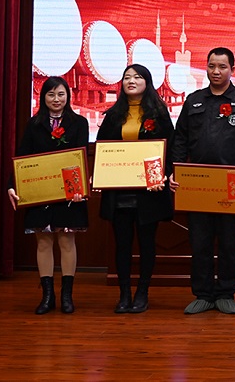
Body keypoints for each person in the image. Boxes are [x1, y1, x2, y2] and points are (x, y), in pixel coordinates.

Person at [169, 48, 235, 315]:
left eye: (222, 67)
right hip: (197, 184)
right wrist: (175, 170)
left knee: (230, 242)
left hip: (231, 183)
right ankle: (203, 294)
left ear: (232, 69)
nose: (216, 71)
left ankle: (226, 293)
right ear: (206, 68)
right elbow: (180, 139)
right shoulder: (194, 100)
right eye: (211, 66)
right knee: (200, 242)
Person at [96, 64, 175, 314]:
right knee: (122, 245)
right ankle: (124, 294)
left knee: (147, 244)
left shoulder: (158, 113)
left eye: (137, 77)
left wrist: (163, 174)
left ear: (147, 82)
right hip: (120, 191)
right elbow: (102, 148)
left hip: (149, 191)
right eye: (127, 77)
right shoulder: (113, 114)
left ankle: (142, 292)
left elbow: (170, 149)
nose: (131, 80)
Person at [7, 76, 89, 314]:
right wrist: (12, 185)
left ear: (68, 96)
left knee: (66, 241)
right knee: (43, 242)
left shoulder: (79, 123)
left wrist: (80, 188)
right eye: (51, 94)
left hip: (69, 194)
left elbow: (81, 156)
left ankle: (67, 296)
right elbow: (22, 157)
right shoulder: (34, 124)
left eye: (61, 94)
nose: (56, 99)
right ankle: (47, 296)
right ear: (43, 97)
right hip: (41, 193)